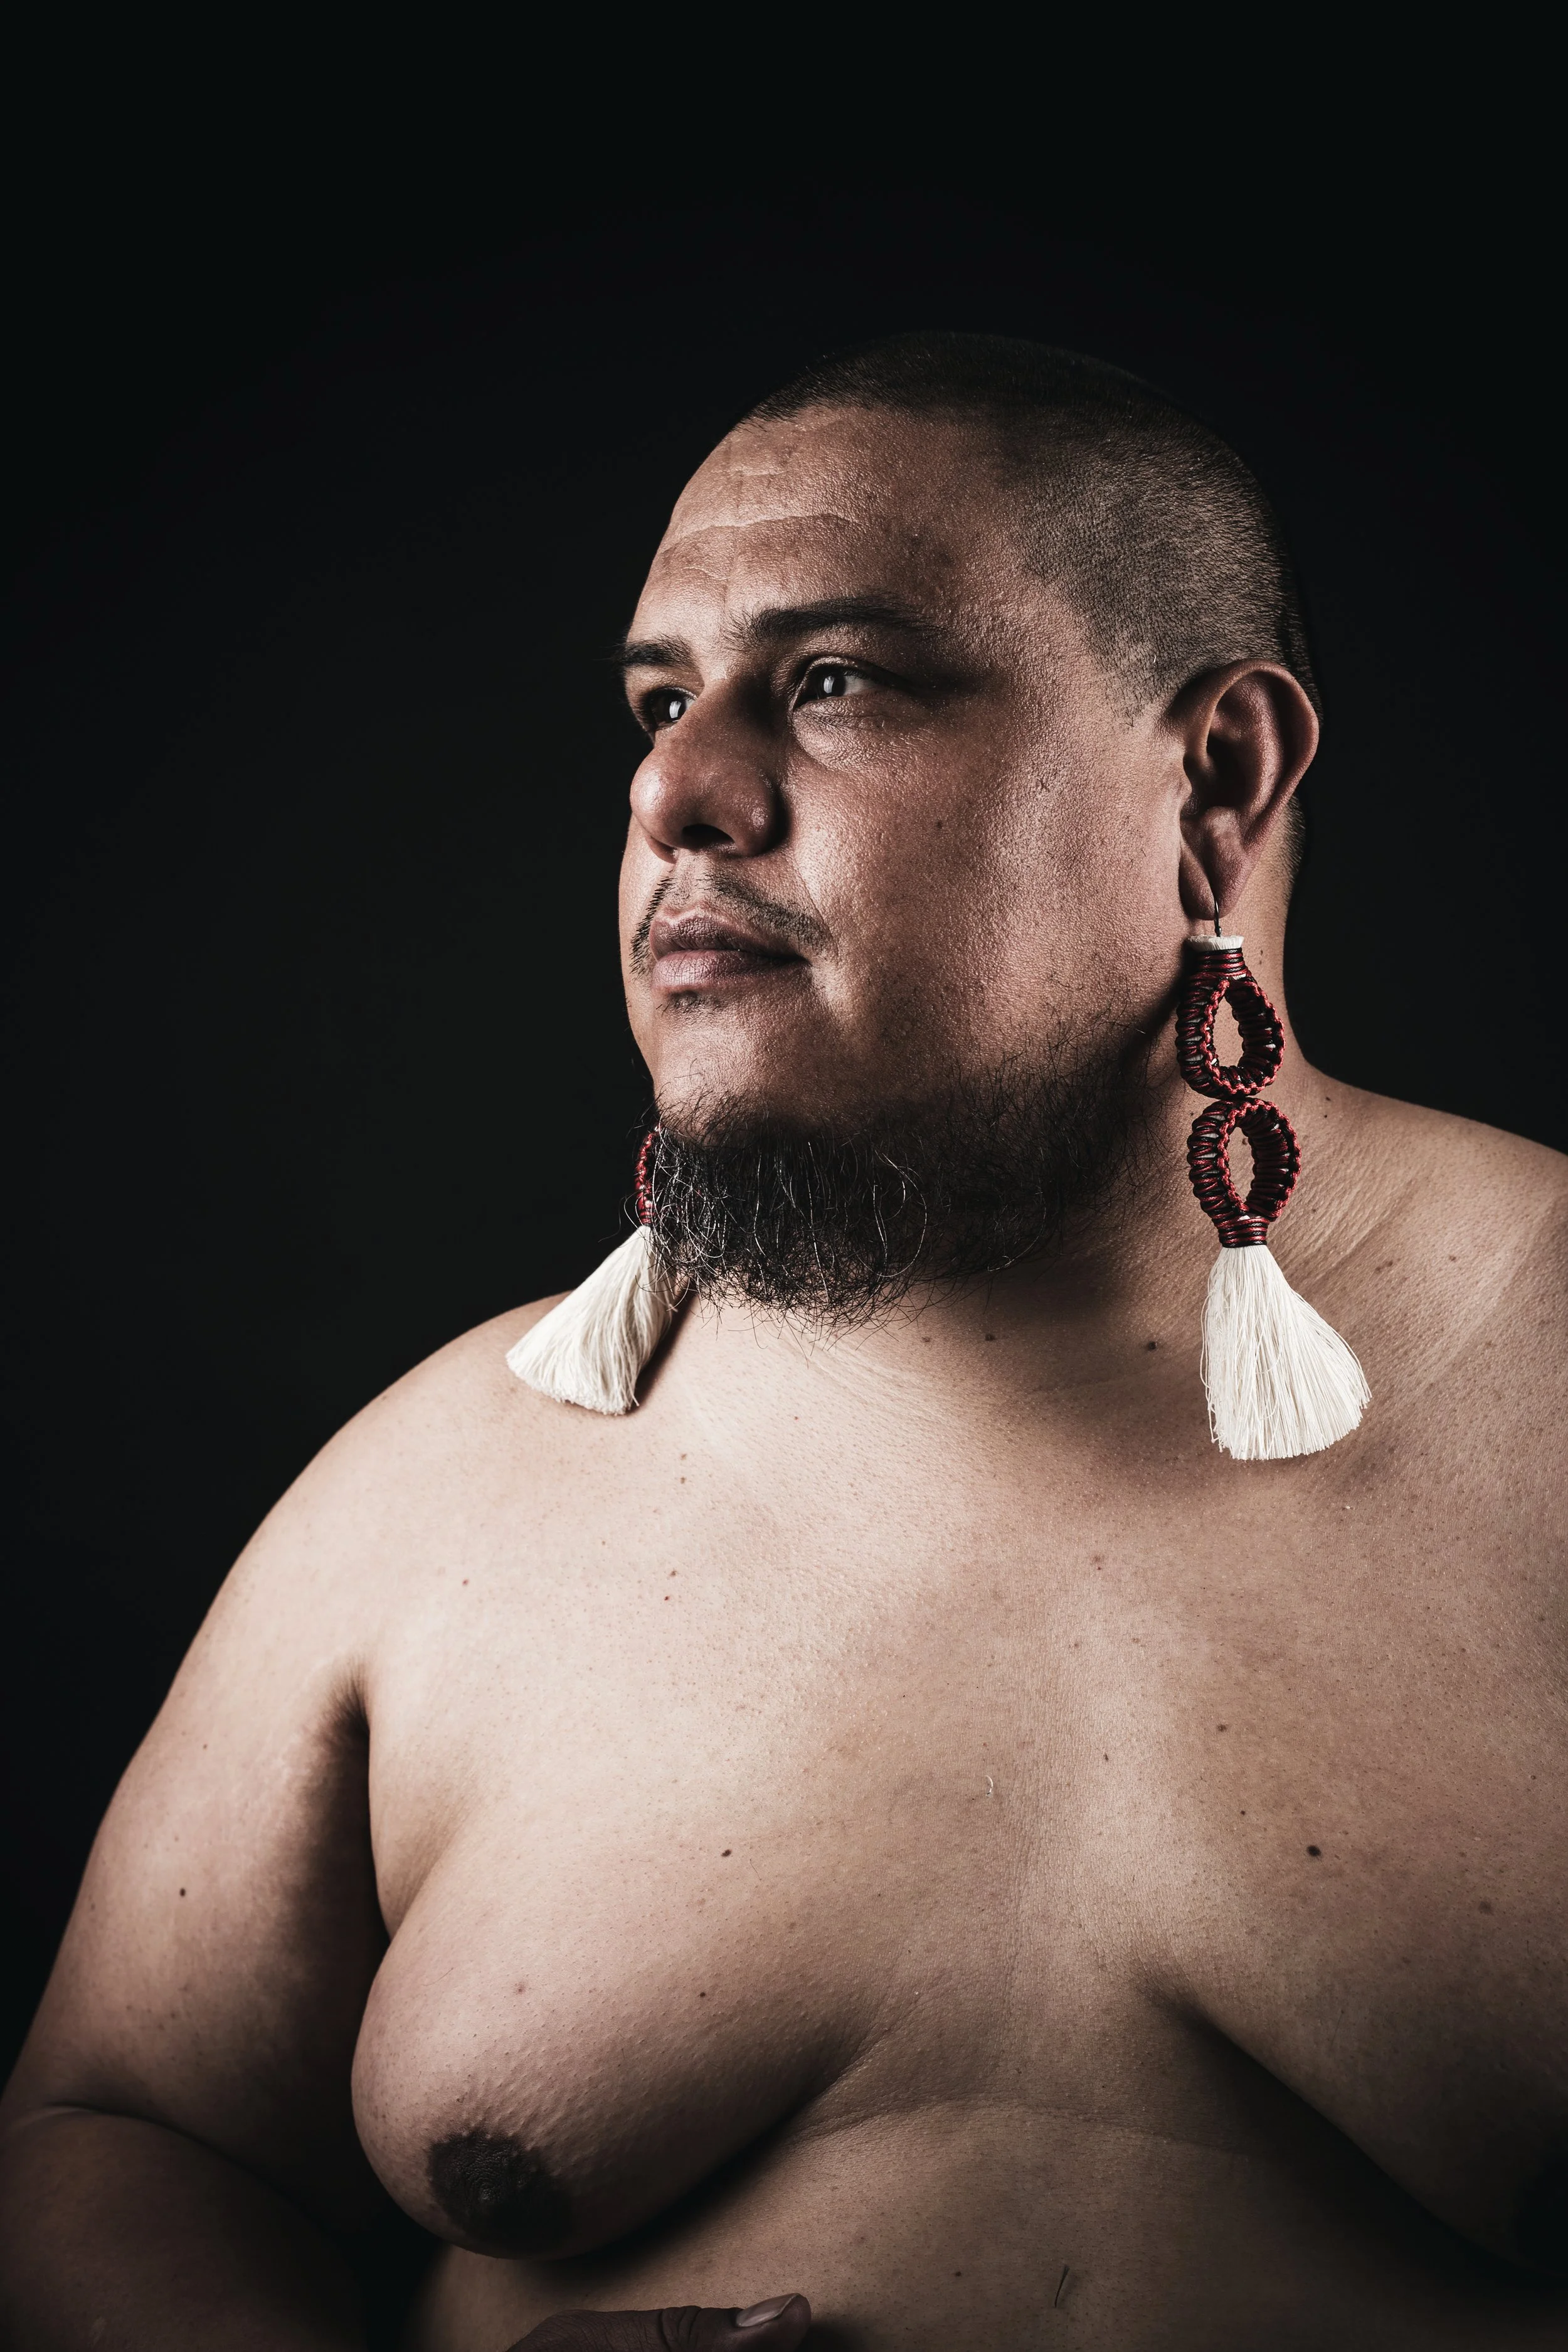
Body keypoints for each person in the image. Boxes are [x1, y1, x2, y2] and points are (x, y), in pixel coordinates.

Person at [3, 334, 1564, 2351]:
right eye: (659, 703)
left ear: (1215, 779)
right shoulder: (440, 1493)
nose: (673, 791)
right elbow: (119, 2133)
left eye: (833, 683)